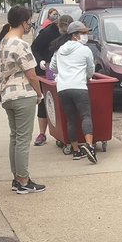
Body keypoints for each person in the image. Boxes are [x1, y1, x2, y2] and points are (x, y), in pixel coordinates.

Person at [0, 5, 46, 194]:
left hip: (7, 95)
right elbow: (32, 75)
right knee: (23, 139)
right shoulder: (20, 44)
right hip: (23, 95)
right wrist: (39, 94)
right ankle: (24, 181)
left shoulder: (4, 42)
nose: (30, 25)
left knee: (15, 138)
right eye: (29, 21)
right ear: (24, 23)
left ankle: (16, 178)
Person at [50, 20, 97, 163]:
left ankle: (76, 150)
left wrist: (64, 71)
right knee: (86, 116)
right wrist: (86, 76)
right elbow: (91, 70)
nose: (86, 35)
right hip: (79, 87)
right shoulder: (85, 50)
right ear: (75, 35)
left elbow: (53, 67)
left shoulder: (59, 50)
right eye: (83, 33)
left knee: (71, 119)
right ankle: (89, 146)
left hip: (63, 88)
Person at [32, 14, 72, 145]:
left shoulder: (72, 34)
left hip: (65, 71)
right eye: (63, 30)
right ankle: (42, 134)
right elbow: (34, 48)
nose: (65, 33)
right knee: (45, 101)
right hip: (46, 69)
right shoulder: (48, 33)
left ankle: (65, 131)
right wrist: (40, 62)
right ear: (58, 26)